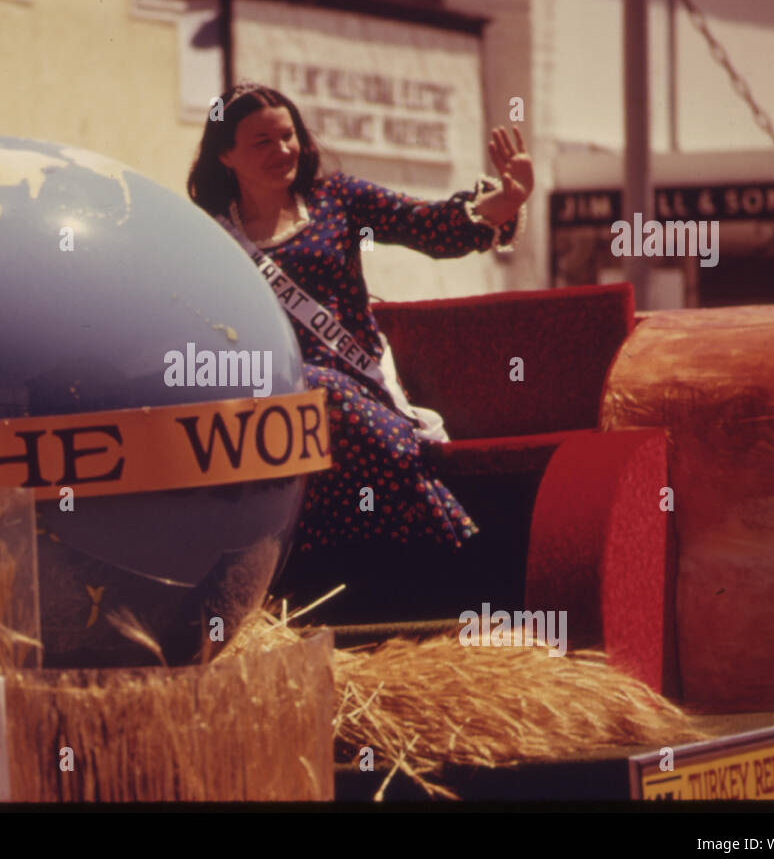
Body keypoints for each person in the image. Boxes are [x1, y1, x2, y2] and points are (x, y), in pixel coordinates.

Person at [186, 82, 533, 619]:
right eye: (262, 141)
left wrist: (501, 203)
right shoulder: (208, 240)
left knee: (328, 400)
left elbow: (428, 227)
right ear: (225, 155)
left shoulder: (337, 199)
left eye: (288, 135)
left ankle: (467, 573)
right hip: (270, 402)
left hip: (355, 390)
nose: (283, 150)